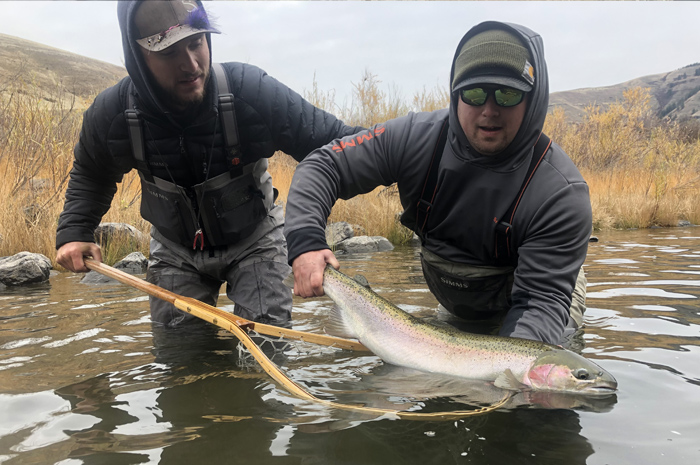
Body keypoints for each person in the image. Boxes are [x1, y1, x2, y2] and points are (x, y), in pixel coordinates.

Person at [56, 0, 362, 329]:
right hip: (174, 248)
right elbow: (92, 173)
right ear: (138, 59)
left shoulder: (251, 92)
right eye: (169, 53)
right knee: (180, 356)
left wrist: (408, 148)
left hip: (256, 239)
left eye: (196, 43)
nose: (190, 64)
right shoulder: (113, 114)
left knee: (268, 343)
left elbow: (335, 146)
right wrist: (74, 232)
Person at [284, 21, 592, 345]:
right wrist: (305, 243)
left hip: (542, 299)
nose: (489, 110)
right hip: (460, 305)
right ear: (456, 93)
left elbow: (539, 307)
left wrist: (513, 381)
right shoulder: (415, 139)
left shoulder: (560, 192)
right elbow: (323, 164)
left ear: (532, 99)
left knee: (542, 383)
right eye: (474, 93)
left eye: (508, 93)